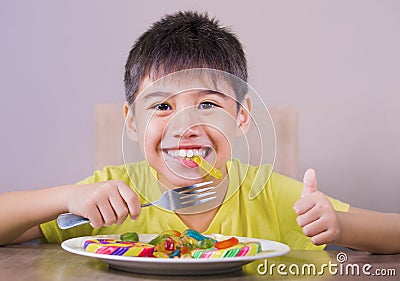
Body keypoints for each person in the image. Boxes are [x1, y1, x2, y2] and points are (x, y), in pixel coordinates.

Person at [0, 11, 399, 254]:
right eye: (162, 106)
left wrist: (341, 227)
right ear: (133, 121)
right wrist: (66, 197)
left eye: (208, 105)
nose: (185, 127)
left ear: (241, 119)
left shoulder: (274, 196)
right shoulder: (109, 191)